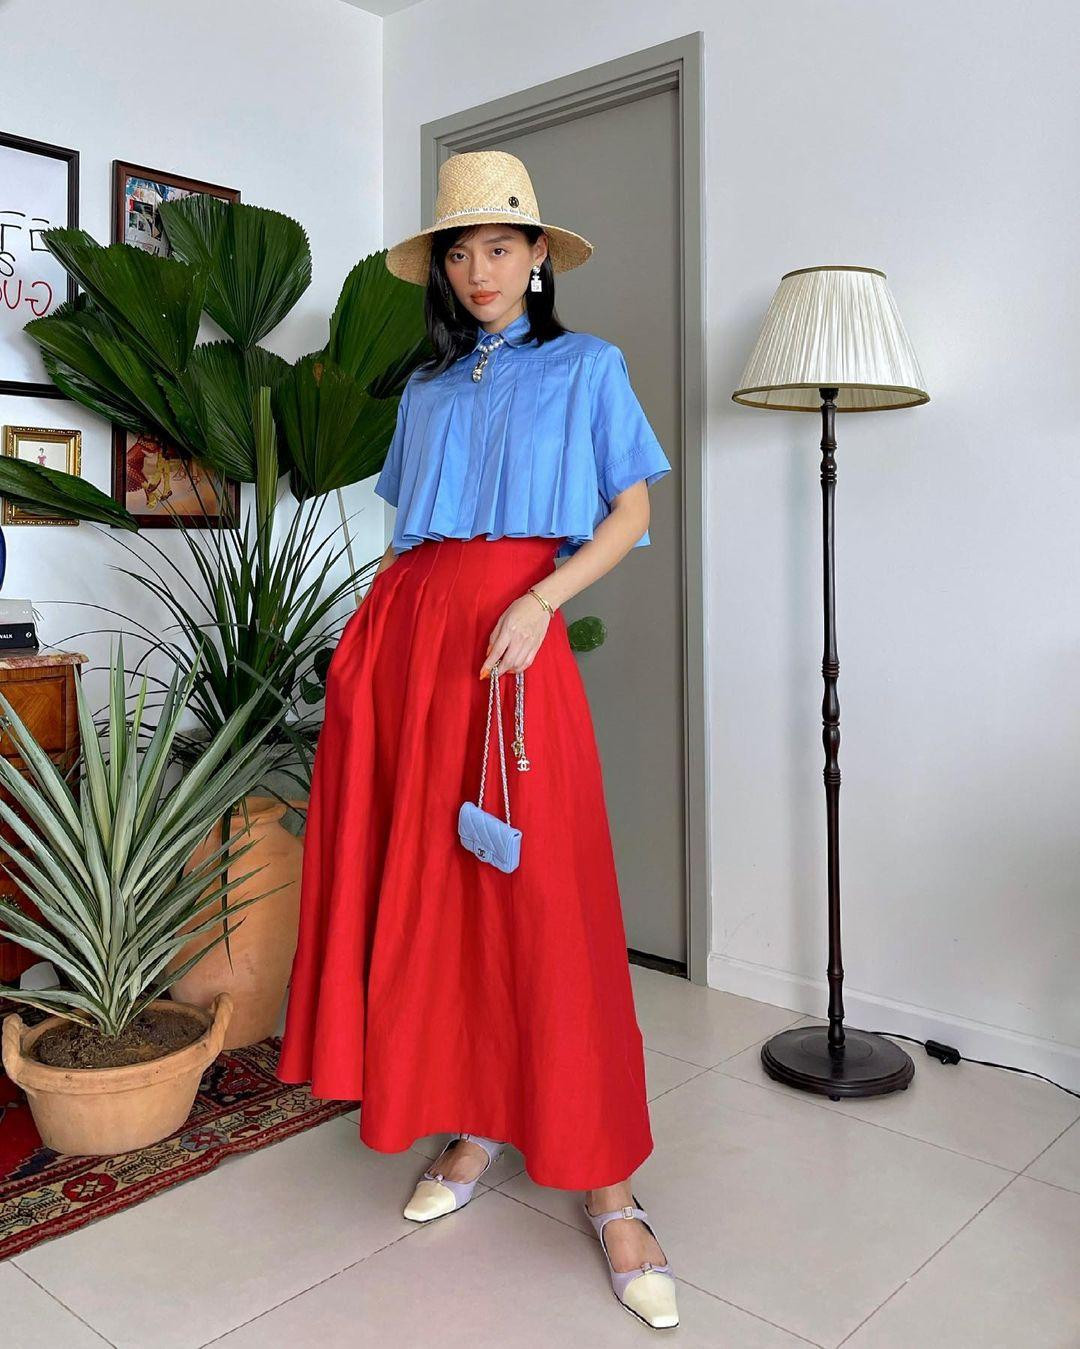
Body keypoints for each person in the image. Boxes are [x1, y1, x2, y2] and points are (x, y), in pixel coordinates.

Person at [275, 149, 678, 1330]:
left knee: (549, 898)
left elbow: (631, 511)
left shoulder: (588, 367)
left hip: (516, 643)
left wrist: (542, 600)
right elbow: (414, 541)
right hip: (410, 649)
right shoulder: (430, 389)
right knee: (443, 895)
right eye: (459, 252)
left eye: (500, 246)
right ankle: (473, 1122)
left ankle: (610, 1184)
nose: (479, 269)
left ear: (538, 255)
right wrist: (369, 644)